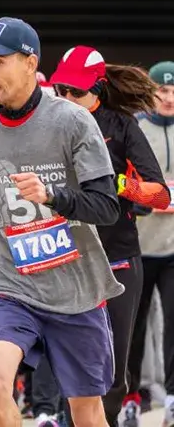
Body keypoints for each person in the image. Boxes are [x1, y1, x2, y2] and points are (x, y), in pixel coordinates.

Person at [0, 16, 124, 427]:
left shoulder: (71, 120)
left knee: (86, 412)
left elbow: (106, 206)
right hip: (11, 284)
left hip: (75, 288)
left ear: (30, 62)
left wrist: (52, 195)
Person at [47, 46, 169, 427]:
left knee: (112, 369)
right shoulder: (47, 122)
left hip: (117, 255)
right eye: (60, 90)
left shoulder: (121, 126)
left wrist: (114, 182)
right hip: (63, 253)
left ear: (98, 88)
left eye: (76, 92)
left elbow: (158, 194)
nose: (67, 99)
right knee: (70, 361)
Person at [128, 60, 174, 427]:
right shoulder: (137, 128)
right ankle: (131, 396)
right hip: (139, 245)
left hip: (173, 247)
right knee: (134, 323)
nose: (168, 97)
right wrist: (145, 197)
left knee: (173, 322)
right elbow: (121, 179)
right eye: (161, 89)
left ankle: (172, 396)